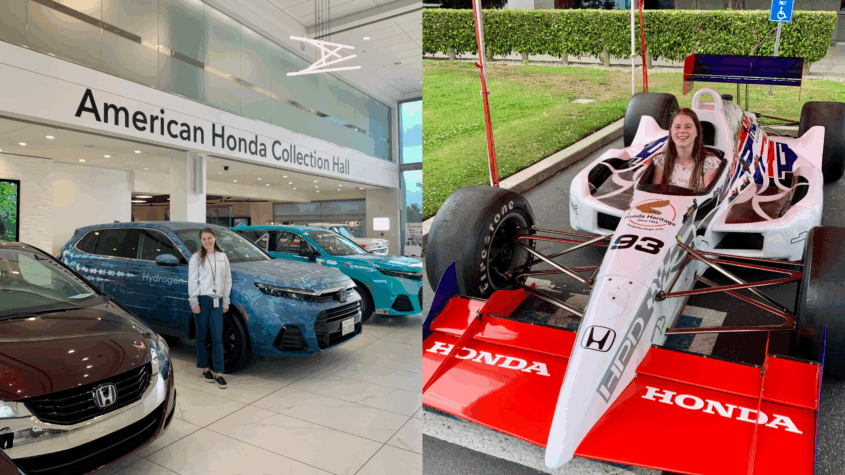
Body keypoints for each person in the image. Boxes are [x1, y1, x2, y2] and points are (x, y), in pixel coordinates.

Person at [188, 227, 232, 389]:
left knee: (217, 337)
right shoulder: (196, 257)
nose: (207, 241)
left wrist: (225, 301)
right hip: (202, 300)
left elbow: (227, 280)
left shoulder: (222, 257)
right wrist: (194, 301)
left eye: (209, 238)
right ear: (201, 241)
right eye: (204, 239)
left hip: (217, 301)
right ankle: (205, 369)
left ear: (215, 238)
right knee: (201, 336)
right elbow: (193, 280)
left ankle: (219, 373)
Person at [652, 108, 721, 191]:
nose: (682, 131)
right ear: (671, 132)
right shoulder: (661, 161)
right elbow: (654, 193)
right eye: (677, 127)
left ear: (697, 132)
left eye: (688, 127)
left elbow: (710, 197)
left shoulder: (710, 163)